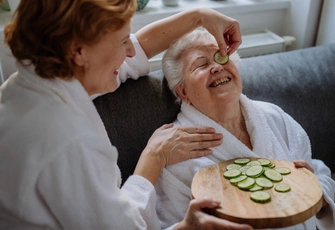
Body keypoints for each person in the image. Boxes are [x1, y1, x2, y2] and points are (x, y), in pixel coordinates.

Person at [0, 0, 255, 229]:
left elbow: (140, 47)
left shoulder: (37, 78)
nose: (130, 52)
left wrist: (200, 15)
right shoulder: (66, 142)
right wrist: (154, 158)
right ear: (78, 51)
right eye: (122, 42)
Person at [156, 29, 335, 229]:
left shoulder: (273, 116)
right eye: (201, 64)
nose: (216, 67)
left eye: (222, 58)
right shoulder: (176, 150)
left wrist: (314, 189)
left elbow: (319, 173)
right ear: (183, 92)